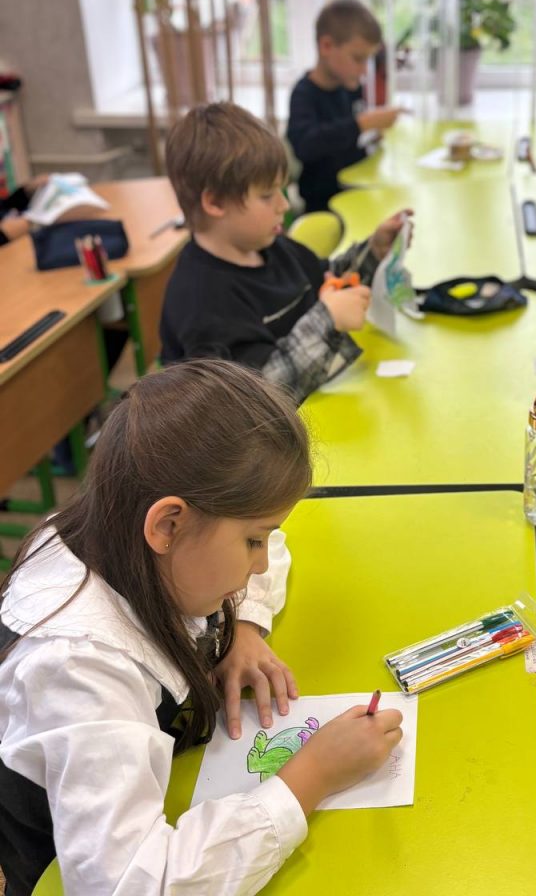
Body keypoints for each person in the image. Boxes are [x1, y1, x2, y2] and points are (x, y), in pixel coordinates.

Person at [0, 359, 403, 895]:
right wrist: (310, 778)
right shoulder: (78, 666)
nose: (261, 562)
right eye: (253, 541)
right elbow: (128, 883)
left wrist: (245, 628)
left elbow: (262, 543)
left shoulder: (123, 529)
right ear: (167, 524)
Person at [160, 102, 411, 404]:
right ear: (215, 203)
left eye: (281, 190)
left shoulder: (271, 246)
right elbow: (257, 399)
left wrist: (374, 251)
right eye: (267, 195)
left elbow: (329, 279)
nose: (284, 205)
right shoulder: (201, 304)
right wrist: (327, 321)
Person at [286, 0, 404, 213]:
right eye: (358, 59)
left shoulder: (351, 88)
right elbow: (305, 145)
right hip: (324, 205)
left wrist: (371, 134)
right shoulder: (304, 94)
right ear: (326, 46)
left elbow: (349, 141)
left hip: (358, 191)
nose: (364, 70)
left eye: (368, 60)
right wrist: (362, 124)